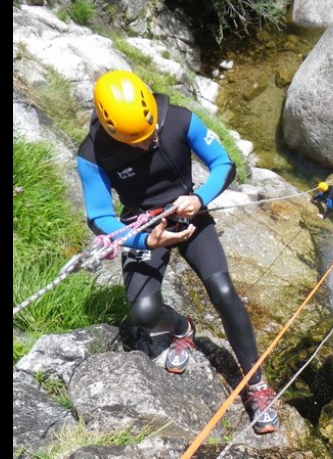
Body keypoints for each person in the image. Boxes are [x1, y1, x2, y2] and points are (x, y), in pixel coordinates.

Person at [76, 70, 278, 435]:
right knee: (144, 312)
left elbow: (224, 163)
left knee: (224, 291)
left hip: (190, 214)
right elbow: (100, 216)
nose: (148, 143)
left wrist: (199, 198)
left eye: (150, 133)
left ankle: (256, 384)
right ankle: (183, 328)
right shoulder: (93, 154)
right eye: (136, 141)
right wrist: (144, 242)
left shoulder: (179, 118)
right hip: (142, 227)